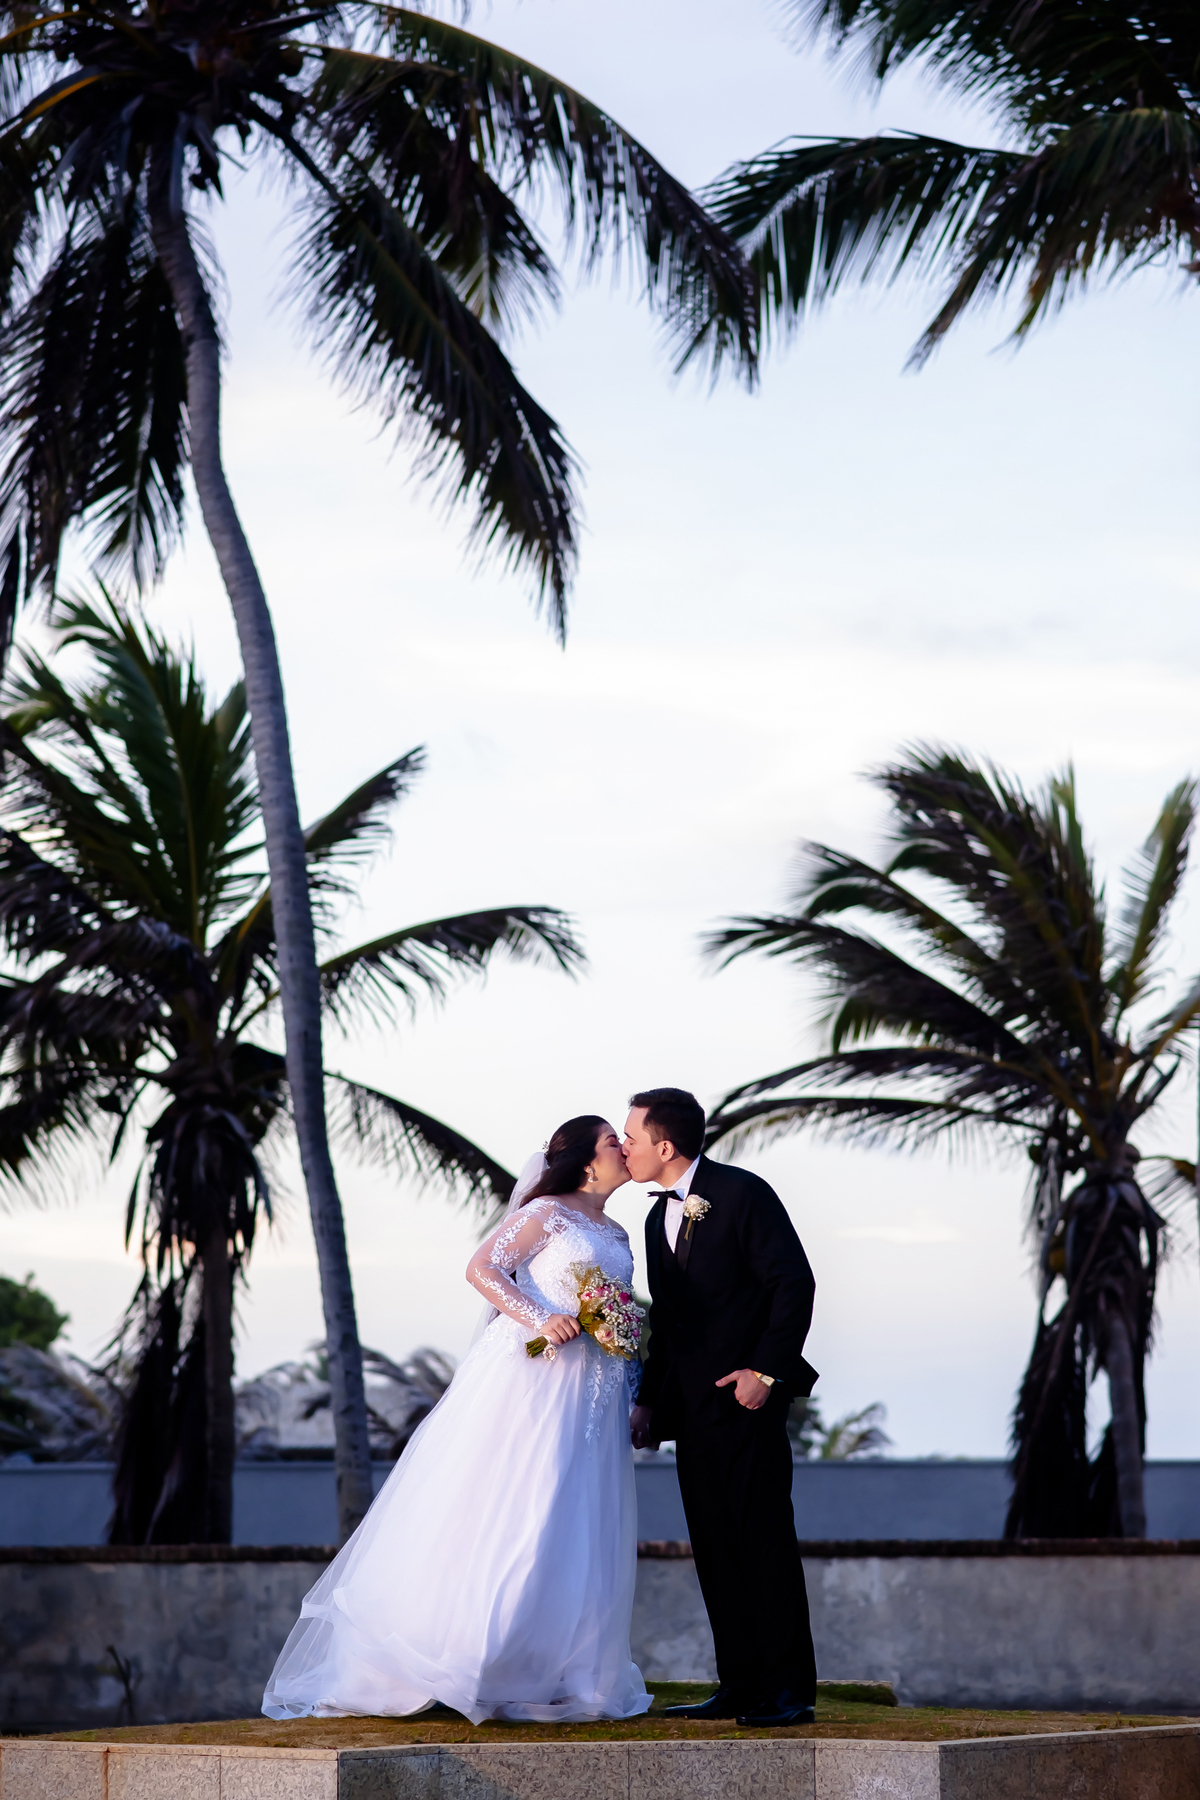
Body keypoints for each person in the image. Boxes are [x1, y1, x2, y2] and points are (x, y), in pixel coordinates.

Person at [262, 1116, 650, 1725]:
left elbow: (618, 1314)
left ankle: (545, 1664)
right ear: (583, 1158)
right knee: (516, 1504)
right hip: (531, 1381)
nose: (624, 1150)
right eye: (612, 1142)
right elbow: (483, 1269)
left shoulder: (622, 1233)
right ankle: (464, 1656)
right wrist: (539, 1317)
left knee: (572, 1516)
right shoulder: (545, 1214)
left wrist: (630, 1389)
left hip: (591, 1395)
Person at [625, 1087, 819, 1728]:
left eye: (631, 1137)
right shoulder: (656, 1220)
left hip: (748, 1405)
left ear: (665, 1145)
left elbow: (793, 1283)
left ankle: (789, 1692)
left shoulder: (743, 1193)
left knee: (763, 1542)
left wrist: (765, 1370)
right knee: (713, 1546)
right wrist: (649, 1401)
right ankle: (738, 1685)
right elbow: (669, 1325)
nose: (625, 1147)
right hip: (692, 1413)